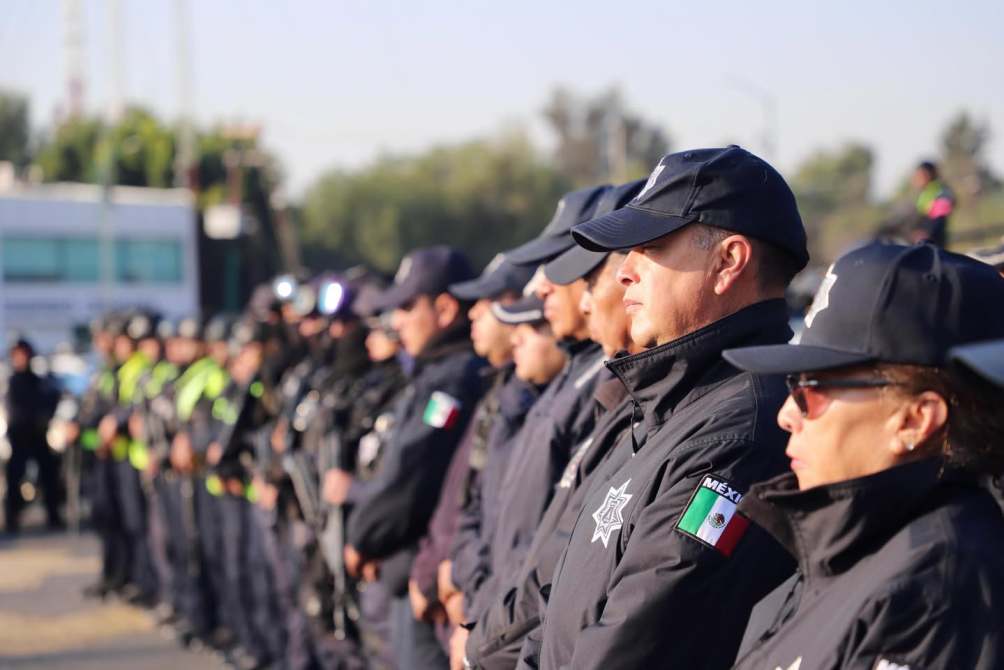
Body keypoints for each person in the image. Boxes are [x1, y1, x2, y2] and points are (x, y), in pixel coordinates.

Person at [529, 146, 809, 669]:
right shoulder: (663, 405)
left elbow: (636, 644)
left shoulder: (740, 431)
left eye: (650, 246)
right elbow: (558, 604)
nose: (624, 272)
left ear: (728, 261)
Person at [725, 242, 1004, 669]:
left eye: (812, 389)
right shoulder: (849, 546)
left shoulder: (933, 592)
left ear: (915, 419)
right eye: (790, 384)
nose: (786, 415)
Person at [461, 180, 645, 670]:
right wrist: (479, 616)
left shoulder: (607, 385)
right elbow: (506, 518)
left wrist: (490, 641)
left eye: (582, 267)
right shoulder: (582, 381)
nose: (542, 285)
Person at [344, 245, 487, 669]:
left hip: (424, 572)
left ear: (444, 309)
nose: (397, 321)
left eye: (408, 307)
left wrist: (364, 537)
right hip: (408, 567)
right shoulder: (434, 372)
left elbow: (414, 472)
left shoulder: (453, 380)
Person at [3, 338, 60, 533]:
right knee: (14, 477)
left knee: (48, 474)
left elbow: (51, 400)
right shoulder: (12, 381)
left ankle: (53, 515)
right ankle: (12, 518)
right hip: (19, 436)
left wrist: (44, 419)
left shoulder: (39, 381)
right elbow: (13, 409)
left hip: (37, 435)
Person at [910, 160, 954, 247]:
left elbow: (939, 220)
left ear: (928, 175)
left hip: (934, 244)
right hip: (923, 242)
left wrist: (925, 234)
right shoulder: (924, 195)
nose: (916, 179)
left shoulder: (941, 192)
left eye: (919, 175)